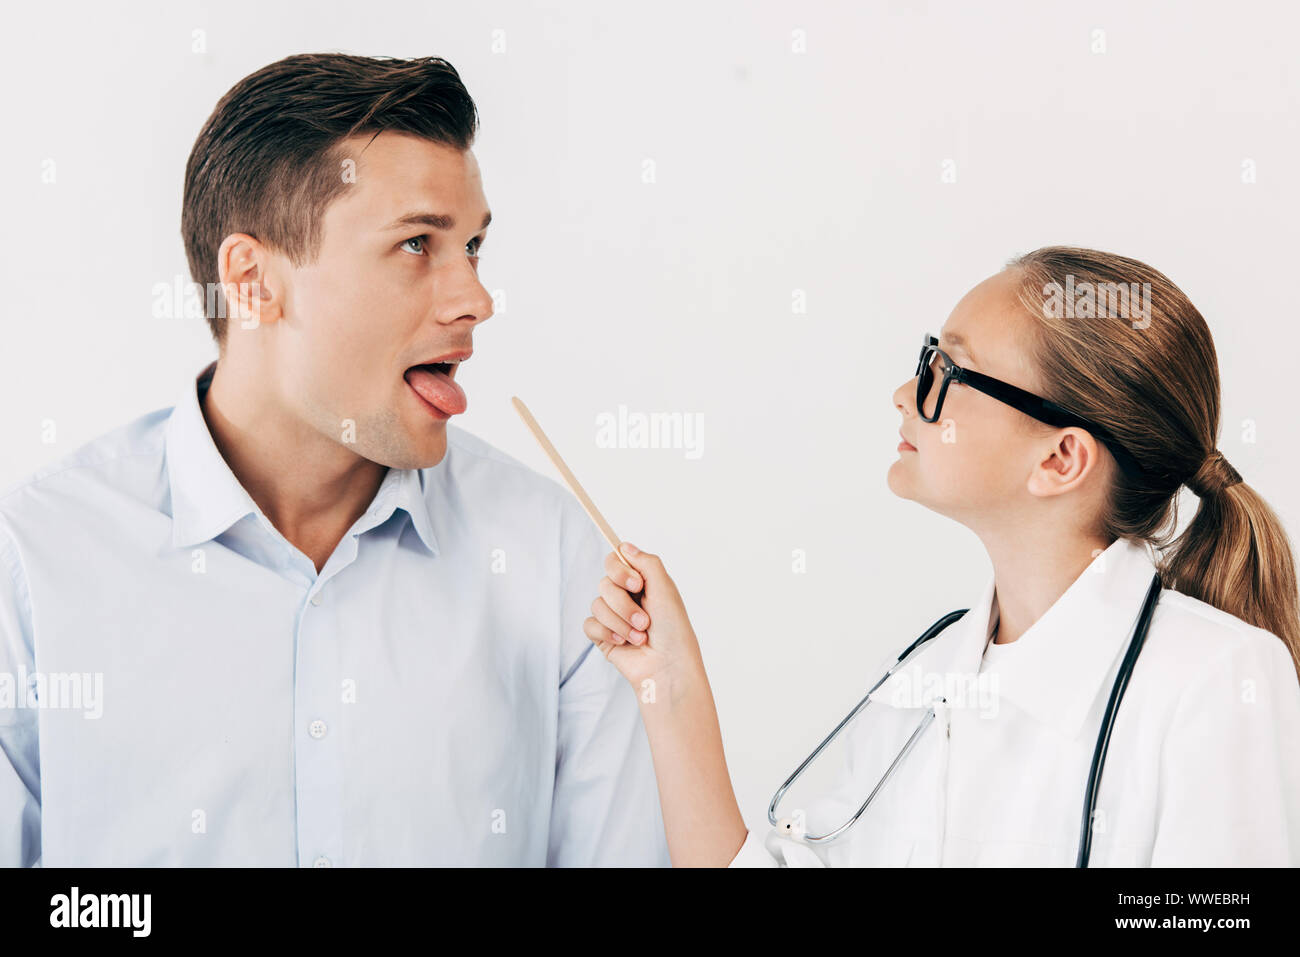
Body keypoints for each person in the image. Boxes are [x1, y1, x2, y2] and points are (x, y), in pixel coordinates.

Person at [0, 53, 668, 867]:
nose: (476, 299)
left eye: (473, 246)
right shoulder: (34, 563)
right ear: (253, 281)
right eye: (417, 243)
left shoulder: (554, 558)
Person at [584, 246, 1300, 867]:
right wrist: (669, 685)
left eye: (947, 370)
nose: (904, 394)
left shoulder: (1214, 677)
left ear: (1060, 459)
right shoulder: (927, 674)